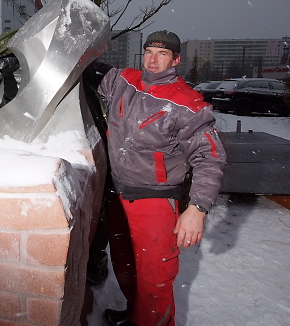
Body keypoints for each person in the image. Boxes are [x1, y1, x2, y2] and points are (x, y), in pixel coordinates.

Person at [97, 30, 226, 326]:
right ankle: (136, 315)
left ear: (176, 59)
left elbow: (210, 156)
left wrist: (197, 208)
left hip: (153, 201)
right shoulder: (124, 81)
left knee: (155, 279)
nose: (153, 60)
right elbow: (88, 70)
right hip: (117, 194)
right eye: (149, 52)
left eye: (162, 54)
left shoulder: (187, 104)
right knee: (126, 266)